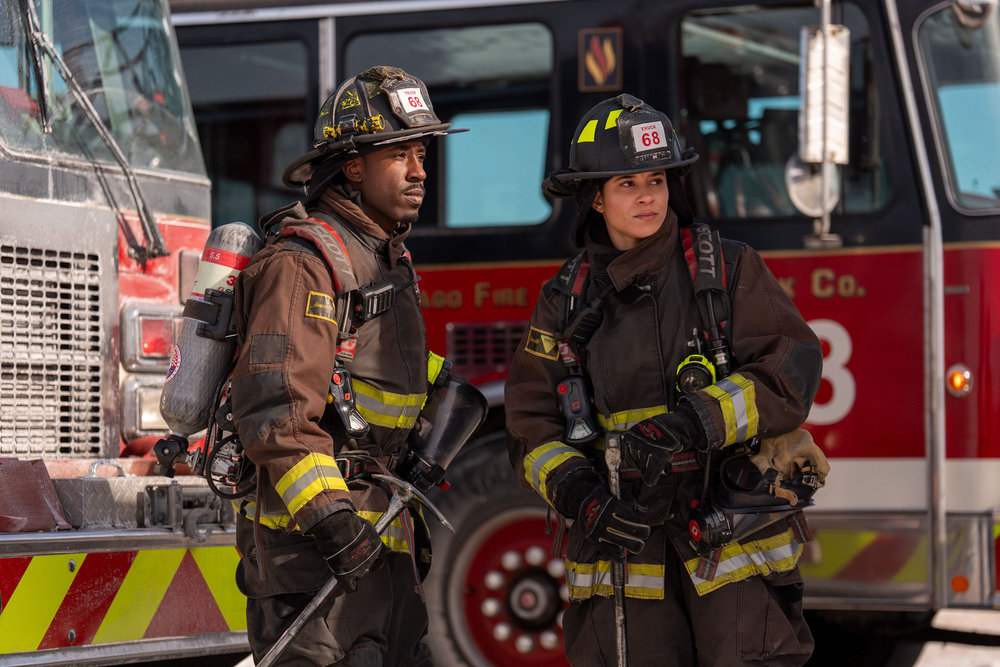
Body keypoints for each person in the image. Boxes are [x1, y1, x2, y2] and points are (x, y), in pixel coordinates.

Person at [504, 93, 826, 666]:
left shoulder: (727, 270)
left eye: (657, 178)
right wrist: (580, 495)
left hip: (730, 544)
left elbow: (791, 369)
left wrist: (693, 423)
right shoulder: (564, 301)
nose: (648, 195)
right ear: (594, 197)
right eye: (627, 183)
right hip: (623, 554)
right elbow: (530, 424)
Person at [229, 66, 467, 666]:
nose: (419, 171)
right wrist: (334, 523)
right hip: (311, 568)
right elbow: (277, 413)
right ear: (353, 165)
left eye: (422, 152)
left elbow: (376, 383)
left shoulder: (387, 261)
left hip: (380, 556)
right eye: (399, 154)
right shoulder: (304, 264)